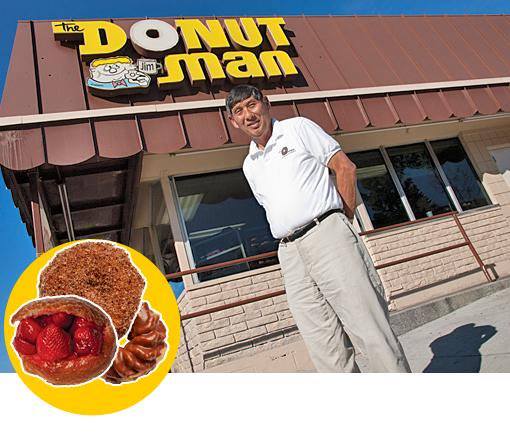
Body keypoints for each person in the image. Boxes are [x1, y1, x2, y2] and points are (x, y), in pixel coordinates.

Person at [226, 84, 411, 373]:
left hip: (327, 234)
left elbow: (345, 168)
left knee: (367, 327)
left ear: (266, 104)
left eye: (252, 104)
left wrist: (340, 220)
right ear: (233, 122)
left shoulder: (298, 128)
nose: (248, 115)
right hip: (289, 252)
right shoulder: (250, 164)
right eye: (239, 111)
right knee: (324, 345)